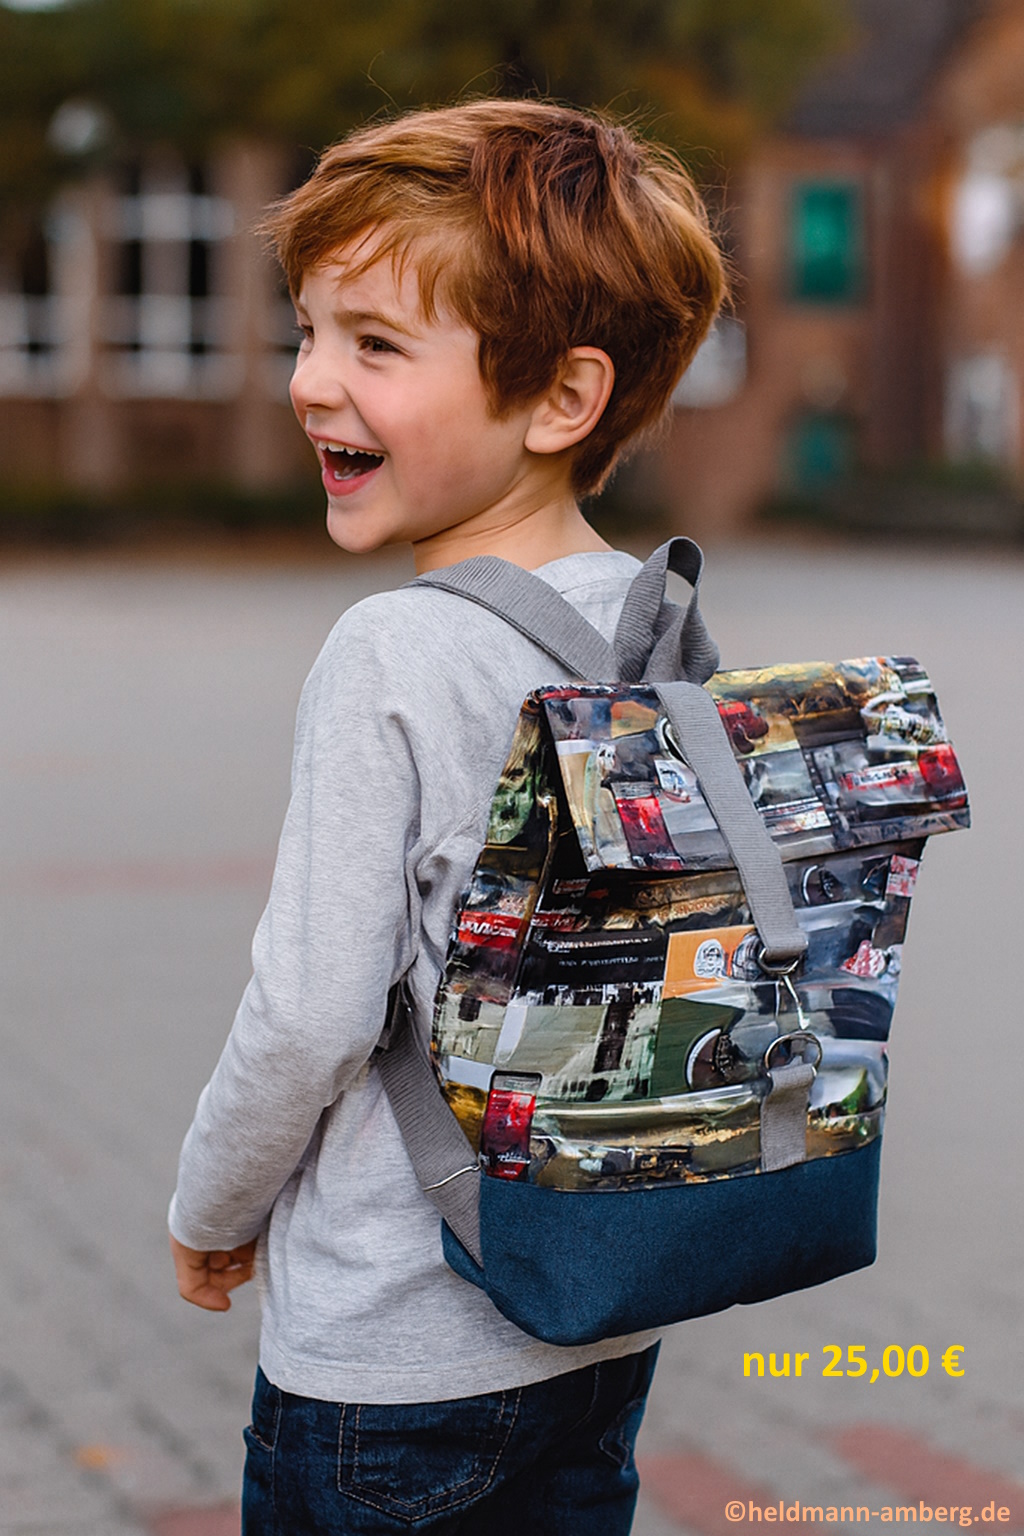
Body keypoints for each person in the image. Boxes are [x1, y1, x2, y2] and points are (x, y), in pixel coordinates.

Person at [169, 97, 726, 1534]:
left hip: (385, 1370)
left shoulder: (392, 652)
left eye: (374, 344)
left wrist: (209, 1210)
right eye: (308, 331)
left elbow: (305, 1017)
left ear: (562, 398)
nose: (308, 383)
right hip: (594, 1321)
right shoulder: (661, 624)